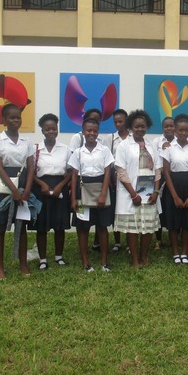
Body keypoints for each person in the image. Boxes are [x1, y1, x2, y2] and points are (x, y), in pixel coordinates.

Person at [0, 103, 35, 280]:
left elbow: (31, 167)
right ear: (4, 120)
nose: (16, 120)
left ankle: (23, 264)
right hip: (4, 186)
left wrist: (27, 189)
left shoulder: (26, 141)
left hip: (23, 185)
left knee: (21, 227)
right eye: (12, 117)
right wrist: (13, 190)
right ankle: (0, 268)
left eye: (18, 117)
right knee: (0, 226)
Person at [114, 110, 161, 267]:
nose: (140, 129)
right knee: (132, 228)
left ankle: (144, 256)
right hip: (131, 193)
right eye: (137, 126)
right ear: (130, 127)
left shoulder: (152, 145)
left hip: (149, 193)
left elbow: (158, 170)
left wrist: (156, 192)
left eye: (143, 126)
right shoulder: (123, 145)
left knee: (148, 226)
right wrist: (133, 195)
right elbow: (121, 171)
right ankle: (135, 258)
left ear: (147, 127)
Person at [69, 117, 114, 272]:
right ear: (83, 132)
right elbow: (74, 176)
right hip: (81, 193)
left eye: (95, 131)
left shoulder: (104, 150)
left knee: (102, 227)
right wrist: (73, 199)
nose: (92, 133)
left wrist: (103, 194)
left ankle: (104, 261)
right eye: (88, 130)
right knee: (83, 228)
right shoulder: (77, 153)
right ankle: (85, 261)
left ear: (98, 132)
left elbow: (107, 172)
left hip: (100, 189)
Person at [161, 114, 188, 265]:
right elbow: (166, 173)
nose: (183, 133)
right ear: (175, 131)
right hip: (173, 188)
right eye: (180, 130)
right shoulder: (169, 149)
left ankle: (184, 252)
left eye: (186, 130)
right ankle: (175, 252)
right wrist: (175, 197)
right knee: (173, 223)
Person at [31, 113, 71, 270]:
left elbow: (70, 172)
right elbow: (30, 173)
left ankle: (58, 256)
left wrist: (61, 185)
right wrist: (42, 184)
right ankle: (42, 259)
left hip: (60, 188)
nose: (51, 131)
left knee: (59, 225)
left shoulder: (65, 149)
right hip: (41, 189)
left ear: (57, 129)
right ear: (42, 130)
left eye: (54, 128)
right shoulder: (35, 149)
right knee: (41, 226)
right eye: (47, 129)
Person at [105, 109, 130, 252]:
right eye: (115, 122)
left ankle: (129, 242)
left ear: (126, 120)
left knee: (128, 209)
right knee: (116, 209)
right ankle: (117, 242)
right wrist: (109, 180)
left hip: (130, 178)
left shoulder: (132, 137)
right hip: (115, 178)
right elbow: (107, 160)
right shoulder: (111, 138)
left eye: (121, 121)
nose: (118, 124)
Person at [152, 116, 175, 249]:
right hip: (160, 178)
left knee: (172, 207)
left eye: (171, 126)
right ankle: (159, 239)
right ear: (162, 128)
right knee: (159, 209)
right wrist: (162, 148)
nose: (169, 128)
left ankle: (174, 238)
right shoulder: (156, 142)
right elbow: (153, 159)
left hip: (174, 178)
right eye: (166, 126)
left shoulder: (180, 141)